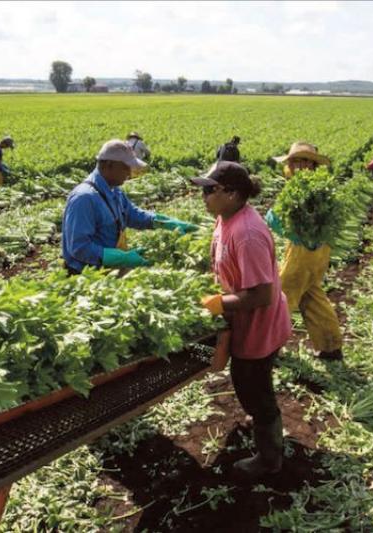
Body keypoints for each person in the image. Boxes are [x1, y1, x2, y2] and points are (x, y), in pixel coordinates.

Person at [195, 161, 292, 481]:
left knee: (254, 388)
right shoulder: (226, 218)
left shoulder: (247, 233)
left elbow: (261, 294)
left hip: (260, 327)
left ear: (232, 193)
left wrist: (219, 303)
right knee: (251, 383)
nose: (203, 195)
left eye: (209, 190)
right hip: (248, 323)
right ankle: (262, 420)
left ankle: (269, 458)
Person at [61, 139, 197, 275]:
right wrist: (122, 258)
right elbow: (79, 248)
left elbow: (133, 215)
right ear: (109, 165)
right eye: (126, 167)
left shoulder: (114, 190)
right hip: (85, 276)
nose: (129, 173)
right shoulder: (84, 198)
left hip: (108, 270)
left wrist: (164, 222)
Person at [267, 142, 344, 360]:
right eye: (294, 161)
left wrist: (273, 219)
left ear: (310, 164)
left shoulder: (306, 188)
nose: (295, 165)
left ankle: (268, 348)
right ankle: (331, 347)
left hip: (305, 252)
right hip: (319, 250)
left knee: (282, 297)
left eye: (301, 161)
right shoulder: (317, 186)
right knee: (312, 295)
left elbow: (285, 223)